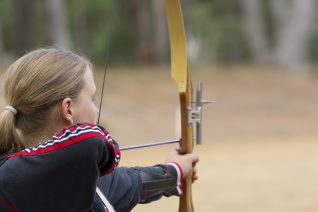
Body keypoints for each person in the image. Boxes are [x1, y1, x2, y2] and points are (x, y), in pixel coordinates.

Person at [0, 48, 199, 211]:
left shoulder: (80, 180)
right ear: (68, 109)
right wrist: (108, 152)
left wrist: (175, 171)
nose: (95, 109)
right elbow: (89, 142)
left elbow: (135, 183)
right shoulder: (12, 178)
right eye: (92, 99)